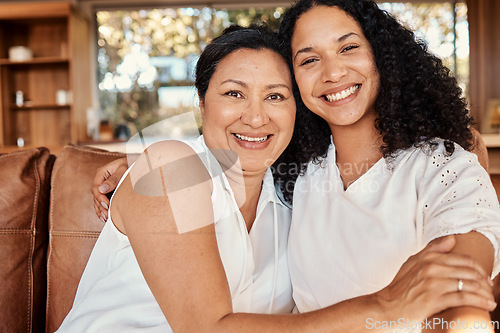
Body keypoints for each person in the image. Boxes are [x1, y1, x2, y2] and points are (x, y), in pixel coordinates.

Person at [85, 25, 495, 333]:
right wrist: (385, 306)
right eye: (233, 93)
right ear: (201, 102)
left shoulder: (292, 195)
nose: (256, 116)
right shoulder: (171, 167)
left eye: (276, 96)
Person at [275, 0, 500, 330]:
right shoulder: (295, 172)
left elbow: (462, 308)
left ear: (382, 54)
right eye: (309, 59)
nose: (333, 72)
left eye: (348, 47)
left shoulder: (443, 167)